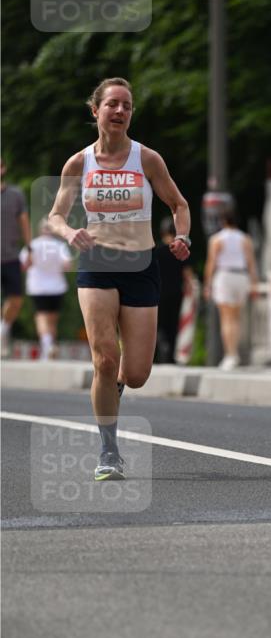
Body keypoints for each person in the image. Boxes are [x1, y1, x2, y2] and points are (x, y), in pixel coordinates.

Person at [49, 77, 191, 480]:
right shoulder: (79, 163)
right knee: (105, 358)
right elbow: (57, 214)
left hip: (141, 266)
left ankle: (119, 386)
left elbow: (179, 204)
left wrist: (182, 236)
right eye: (112, 104)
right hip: (97, 263)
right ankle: (108, 452)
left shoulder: (147, 159)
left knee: (137, 374)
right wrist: (69, 232)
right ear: (95, 111)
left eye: (127, 105)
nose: (120, 111)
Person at [203, 207, 258, 370]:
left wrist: (208, 284)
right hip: (241, 276)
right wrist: (254, 283)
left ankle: (230, 354)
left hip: (225, 276)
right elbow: (251, 262)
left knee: (226, 318)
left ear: (222, 221)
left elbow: (211, 263)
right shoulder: (245, 239)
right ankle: (235, 354)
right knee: (236, 317)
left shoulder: (217, 239)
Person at [19, 218, 72, 359]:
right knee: (52, 320)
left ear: (40, 230)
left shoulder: (32, 246)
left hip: (37, 287)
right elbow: (68, 265)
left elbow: (24, 266)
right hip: (57, 287)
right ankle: (48, 347)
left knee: (41, 317)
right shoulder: (59, 245)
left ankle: (47, 345)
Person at [1, 158, 32, 357]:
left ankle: (3, 330)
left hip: (11, 255)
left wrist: (30, 248)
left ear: (3, 168)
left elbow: (24, 222)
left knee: (16, 299)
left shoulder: (16, 194)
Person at [154, 217, 194, 363]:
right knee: (173, 324)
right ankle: (170, 355)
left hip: (158, 293)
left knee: (158, 325)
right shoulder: (181, 251)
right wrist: (189, 288)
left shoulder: (156, 250)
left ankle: (156, 355)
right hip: (176, 292)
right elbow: (188, 275)